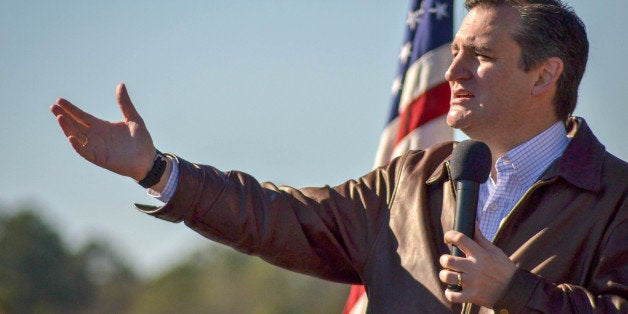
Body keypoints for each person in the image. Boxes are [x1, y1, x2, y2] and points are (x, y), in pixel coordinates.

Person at [51, 0, 626, 312]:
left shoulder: (617, 197)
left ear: (545, 75)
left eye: (480, 56)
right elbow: (279, 216)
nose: (453, 72)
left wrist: (515, 293)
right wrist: (156, 171)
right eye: (453, 52)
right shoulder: (409, 181)